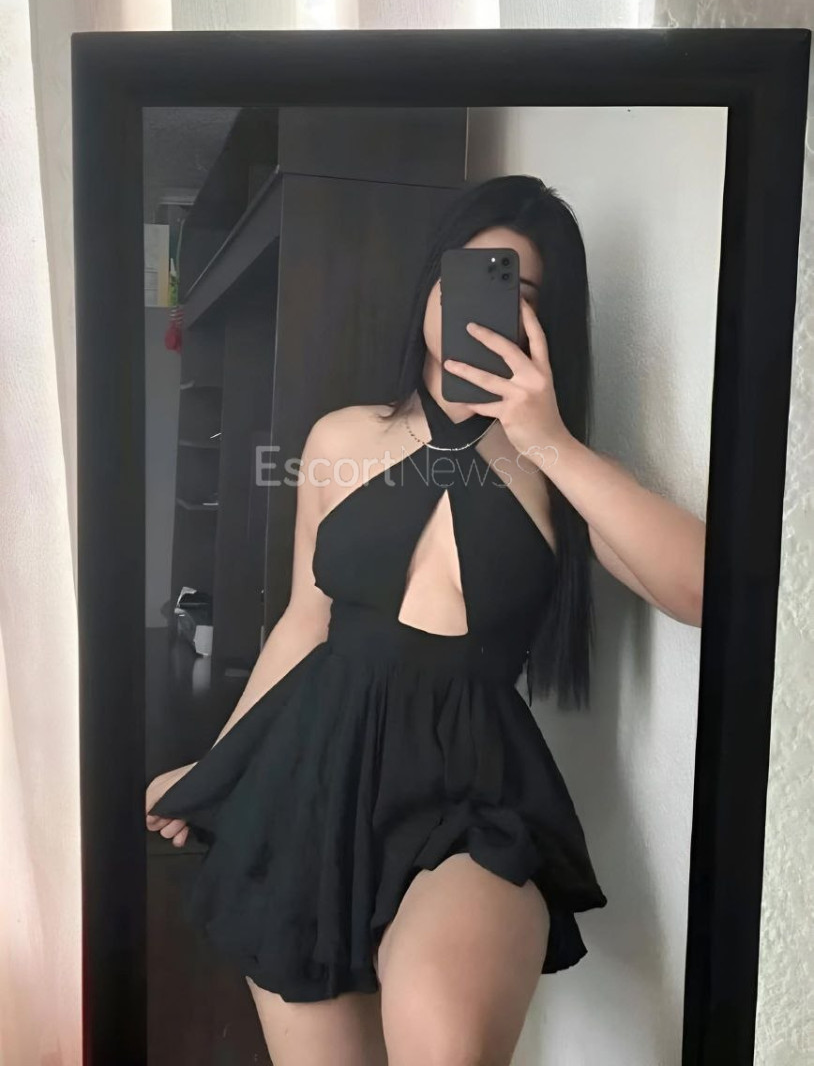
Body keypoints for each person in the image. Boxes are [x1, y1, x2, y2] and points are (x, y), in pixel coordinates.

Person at [146, 175, 705, 1066]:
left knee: (445, 1046)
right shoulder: (340, 440)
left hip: (472, 790)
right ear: (431, 289)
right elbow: (305, 623)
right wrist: (217, 769)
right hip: (312, 776)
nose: (479, 303)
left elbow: (708, 589)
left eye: (516, 290)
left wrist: (548, 438)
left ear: (544, 323)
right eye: (464, 275)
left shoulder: (556, 467)